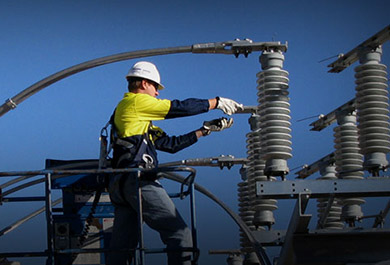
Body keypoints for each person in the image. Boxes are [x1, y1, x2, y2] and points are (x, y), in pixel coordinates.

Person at [107, 61, 243, 265]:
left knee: (122, 247)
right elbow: (178, 108)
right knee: (179, 234)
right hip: (139, 181)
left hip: (122, 185)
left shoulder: (138, 118)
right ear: (144, 83)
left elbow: (170, 144)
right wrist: (215, 102)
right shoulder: (136, 102)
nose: (157, 94)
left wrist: (204, 130)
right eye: (155, 88)